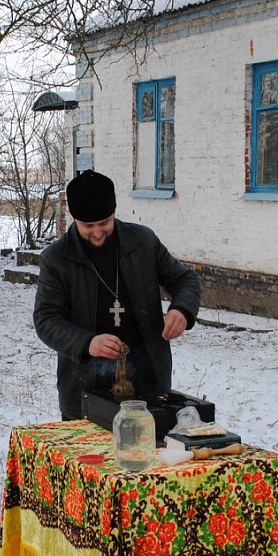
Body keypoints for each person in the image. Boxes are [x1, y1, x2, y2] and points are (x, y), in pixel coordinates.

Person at [34, 169, 201, 420]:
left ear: (114, 212)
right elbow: (46, 319)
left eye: (104, 223)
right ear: (74, 218)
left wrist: (182, 310)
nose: (98, 233)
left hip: (149, 383)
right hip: (84, 388)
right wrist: (87, 342)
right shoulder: (57, 258)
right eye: (88, 226)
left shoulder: (143, 242)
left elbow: (184, 279)